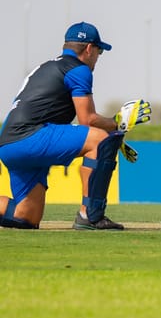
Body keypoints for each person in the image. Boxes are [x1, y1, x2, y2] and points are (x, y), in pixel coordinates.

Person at [0, 22, 151, 230]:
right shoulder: (79, 69)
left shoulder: (46, 66)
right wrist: (118, 123)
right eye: (99, 51)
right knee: (99, 140)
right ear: (89, 48)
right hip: (29, 136)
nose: (98, 58)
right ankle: (90, 215)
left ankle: (87, 214)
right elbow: (87, 120)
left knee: (26, 216)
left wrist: (114, 131)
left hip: (8, 143)